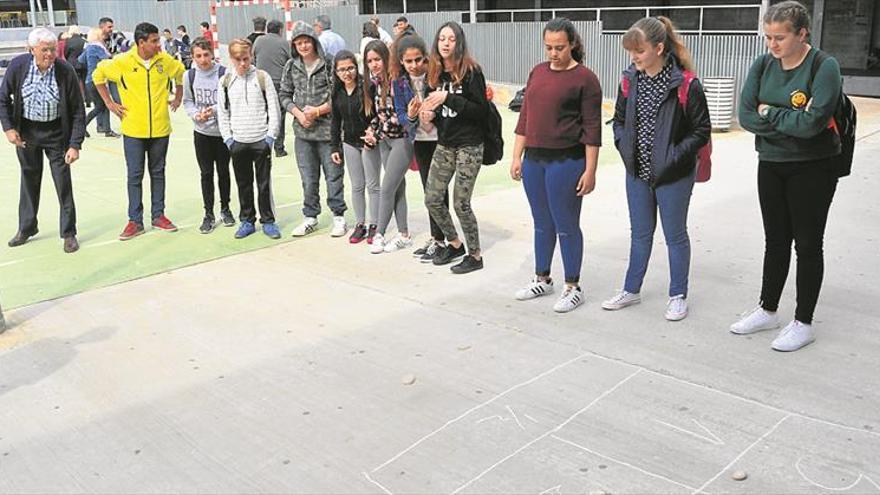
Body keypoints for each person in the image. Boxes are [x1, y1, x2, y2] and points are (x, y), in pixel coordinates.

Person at [732, 1, 842, 352]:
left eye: (780, 38)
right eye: (768, 37)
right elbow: (746, 114)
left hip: (813, 167)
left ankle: (803, 321)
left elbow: (812, 126)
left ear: (802, 34)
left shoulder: (824, 67)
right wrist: (787, 121)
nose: (772, 45)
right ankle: (768, 309)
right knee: (775, 240)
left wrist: (771, 114)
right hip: (772, 163)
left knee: (808, 244)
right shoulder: (764, 64)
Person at [601, 16, 711, 320]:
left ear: (659, 47)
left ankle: (678, 295)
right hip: (637, 170)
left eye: (639, 51)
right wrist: (624, 146)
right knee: (640, 233)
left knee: (675, 235)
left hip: (673, 173)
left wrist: (675, 156)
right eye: (630, 51)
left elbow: (701, 130)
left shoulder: (685, 83)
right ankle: (631, 290)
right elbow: (620, 120)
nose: (633, 57)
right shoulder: (629, 79)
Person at [509, 18, 603, 312]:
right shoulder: (537, 72)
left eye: (559, 47)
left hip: (567, 161)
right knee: (541, 223)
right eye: (549, 47)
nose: (553, 53)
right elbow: (525, 117)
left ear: (572, 43)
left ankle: (573, 286)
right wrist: (516, 156)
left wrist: (591, 170)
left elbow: (592, 128)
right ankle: (542, 278)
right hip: (535, 160)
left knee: (566, 224)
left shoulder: (585, 79)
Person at [92, 22, 185, 241]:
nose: (158, 44)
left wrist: (178, 96)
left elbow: (180, 72)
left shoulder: (165, 61)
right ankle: (135, 220)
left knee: (158, 172)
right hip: (133, 129)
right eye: (154, 41)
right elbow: (98, 76)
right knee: (134, 175)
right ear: (141, 43)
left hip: (160, 128)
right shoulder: (122, 62)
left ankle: (158, 215)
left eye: (158, 40)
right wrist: (110, 103)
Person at [0, 27, 86, 254]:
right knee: (29, 179)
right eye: (44, 50)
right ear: (32, 50)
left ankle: (68, 233)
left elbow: (78, 110)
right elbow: (2, 99)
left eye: (52, 50)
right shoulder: (18, 67)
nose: (49, 55)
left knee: (62, 182)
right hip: (27, 133)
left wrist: (75, 144)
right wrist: (9, 129)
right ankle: (27, 227)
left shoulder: (65, 70)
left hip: (56, 133)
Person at [419, 21, 489, 274]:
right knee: (432, 199)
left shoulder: (471, 72)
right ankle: (455, 243)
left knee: (461, 203)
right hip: (446, 143)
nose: (446, 43)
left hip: (470, 144)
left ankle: (475, 255)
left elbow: (481, 112)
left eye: (451, 39)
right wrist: (428, 117)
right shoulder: (434, 74)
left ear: (459, 43)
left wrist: (449, 97)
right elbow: (435, 114)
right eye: (442, 39)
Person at [280, 21, 347, 238]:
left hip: (328, 133)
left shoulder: (329, 64)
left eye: (306, 41)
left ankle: (339, 216)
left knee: (333, 176)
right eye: (299, 43)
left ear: (314, 42)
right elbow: (284, 95)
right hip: (303, 134)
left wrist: (317, 112)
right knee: (308, 178)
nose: (303, 46)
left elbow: (338, 95)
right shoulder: (291, 66)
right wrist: (299, 114)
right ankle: (310, 217)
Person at [217, 38, 282, 240]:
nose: (243, 63)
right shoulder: (226, 82)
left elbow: (274, 108)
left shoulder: (263, 77)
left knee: (264, 184)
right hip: (238, 142)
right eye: (238, 60)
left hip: (260, 140)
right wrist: (229, 139)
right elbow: (223, 112)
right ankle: (247, 220)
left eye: (246, 58)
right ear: (231, 59)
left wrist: (270, 137)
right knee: (243, 183)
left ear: (251, 56)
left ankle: (268, 221)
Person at [392, 34, 444, 262]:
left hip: (441, 140)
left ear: (426, 57)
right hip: (421, 142)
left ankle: (444, 240)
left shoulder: (437, 78)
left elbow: (448, 109)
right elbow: (401, 115)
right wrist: (411, 116)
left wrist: (434, 114)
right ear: (401, 61)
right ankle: (437, 238)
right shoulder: (400, 82)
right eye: (409, 61)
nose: (414, 66)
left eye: (418, 60)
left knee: (439, 193)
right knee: (428, 192)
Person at [363, 40, 412, 254]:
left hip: (402, 140)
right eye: (369, 61)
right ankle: (404, 234)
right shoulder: (376, 84)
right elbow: (380, 115)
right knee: (397, 189)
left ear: (385, 58)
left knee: (386, 187)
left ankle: (380, 234)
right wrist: (373, 130)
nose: (373, 64)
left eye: (377, 59)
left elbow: (402, 117)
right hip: (385, 141)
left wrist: (379, 131)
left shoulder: (398, 82)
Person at [184, 37, 235, 234]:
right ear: (193, 57)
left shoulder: (223, 73)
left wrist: (212, 110)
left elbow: (228, 99)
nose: (203, 59)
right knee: (206, 173)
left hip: (221, 132)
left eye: (206, 55)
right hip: (201, 133)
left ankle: (225, 208)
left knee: (223, 171)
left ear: (212, 53)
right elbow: (188, 101)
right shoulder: (189, 76)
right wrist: (196, 114)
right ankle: (208, 213)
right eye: (198, 56)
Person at [329, 50, 377, 244]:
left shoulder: (367, 87)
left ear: (357, 68)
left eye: (350, 68)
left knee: (373, 186)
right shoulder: (337, 91)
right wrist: (334, 147)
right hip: (349, 142)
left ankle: (375, 224)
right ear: (336, 72)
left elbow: (376, 114)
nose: (346, 73)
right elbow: (335, 121)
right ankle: (360, 224)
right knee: (357, 186)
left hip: (368, 142)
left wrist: (373, 134)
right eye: (341, 70)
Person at [254, 19, 292, 158]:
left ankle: (262, 145)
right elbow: (291, 60)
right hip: (278, 82)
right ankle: (279, 148)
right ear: (280, 30)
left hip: (261, 82)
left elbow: (253, 59)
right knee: (279, 115)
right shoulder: (284, 43)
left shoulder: (258, 41)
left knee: (263, 113)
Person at [78, 27, 119, 138]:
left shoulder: (88, 48)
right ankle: (84, 127)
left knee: (101, 105)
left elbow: (80, 60)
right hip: (97, 80)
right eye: (101, 35)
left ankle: (105, 129)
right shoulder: (98, 47)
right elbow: (107, 59)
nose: (103, 37)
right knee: (103, 105)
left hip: (89, 80)